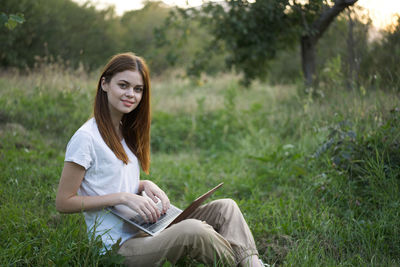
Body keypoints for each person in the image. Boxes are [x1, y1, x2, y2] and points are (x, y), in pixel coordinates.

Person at [56, 52, 265, 267]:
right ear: (105, 84)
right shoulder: (86, 138)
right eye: (123, 85)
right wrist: (122, 197)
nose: (131, 94)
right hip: (119, 247)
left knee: (226, 207)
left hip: (146, 228)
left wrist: (143, 184)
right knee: (193, 231)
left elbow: (103, 181)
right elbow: (64, 201)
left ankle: (254, 265)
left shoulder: (125, 131)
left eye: (138, 89)